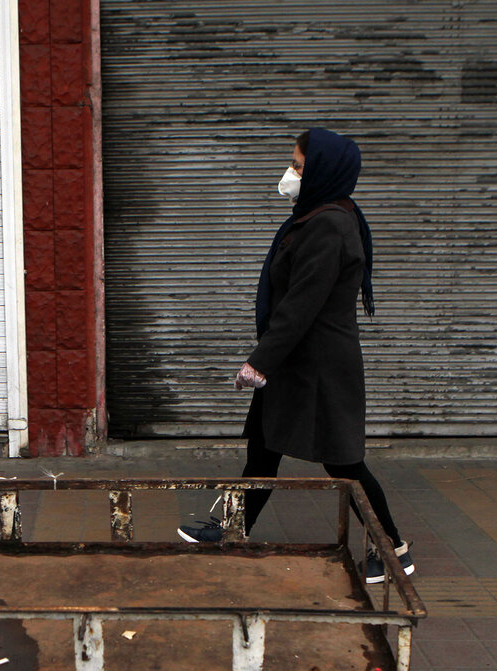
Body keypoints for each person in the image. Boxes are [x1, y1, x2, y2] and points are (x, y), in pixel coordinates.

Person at [177, 128, 414, 584]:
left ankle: (393, 549)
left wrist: (259, 361)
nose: (290, 174)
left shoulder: (330, 224)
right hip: (298, 362)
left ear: (322, 171)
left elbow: (302, 304)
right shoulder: (318, 215)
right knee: (263, 449)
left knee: (343, 462)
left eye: (299, 167)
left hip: (318, 367)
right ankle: (230, 530)